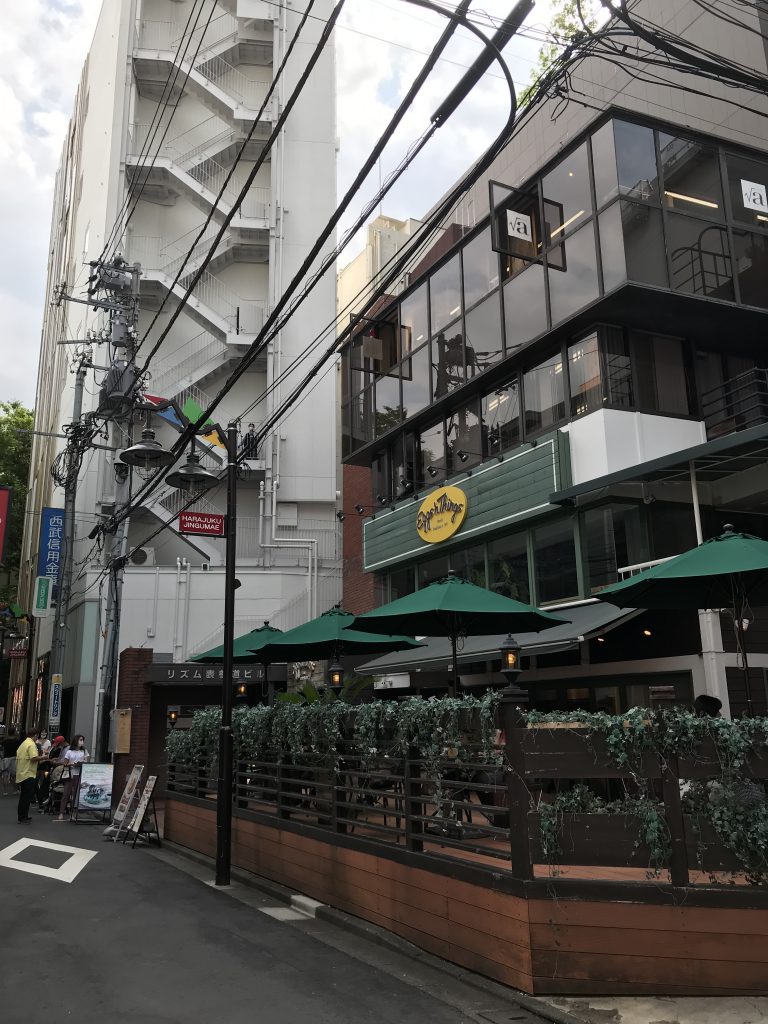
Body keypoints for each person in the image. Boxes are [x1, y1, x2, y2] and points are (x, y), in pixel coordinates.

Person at [15, 729, 48, 824]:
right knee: (27, 797)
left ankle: (22, 816)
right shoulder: (31, 744)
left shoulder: (24, 743)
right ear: (36, 735)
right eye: (37, 736)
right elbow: (34, 758)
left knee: (23, 796)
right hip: (29, 773)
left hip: (22, 773)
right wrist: (44, 757)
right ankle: (23, 817)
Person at [56, 734, 89, 821]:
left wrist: (81, 763)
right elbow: (65, 763)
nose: (81, 742)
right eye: (80, 740)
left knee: (76, 794)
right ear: (76, 741)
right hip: (70, 773)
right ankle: (61, 812)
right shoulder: (69, 752)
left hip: (79, 774)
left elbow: (86, 762)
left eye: (82, 740)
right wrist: (71, 764)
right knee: (66, 793)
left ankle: (72, 813)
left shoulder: (84, 751)